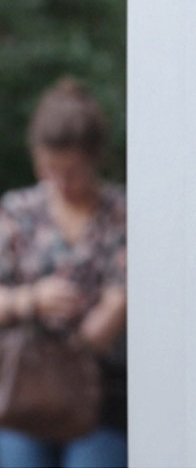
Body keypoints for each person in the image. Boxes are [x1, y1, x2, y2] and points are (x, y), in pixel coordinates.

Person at [0, 77, 127, 468]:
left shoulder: (121, 215)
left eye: (71, 171)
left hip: (99, 394)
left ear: (93, 159)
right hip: (24, 393)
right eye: (50, 169)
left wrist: (112, 309)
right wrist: (31, 299)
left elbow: (109, 317)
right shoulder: (18, 211)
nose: (60, 182)